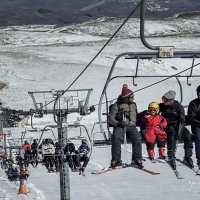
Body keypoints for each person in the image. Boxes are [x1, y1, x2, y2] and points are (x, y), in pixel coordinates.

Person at [108, 84, 143, 168]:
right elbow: (111, 118)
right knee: (116, 137)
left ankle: (137, 159)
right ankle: (116, 159)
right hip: (120, 126)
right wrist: (118, 123)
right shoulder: (116, 105)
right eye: (131, 97)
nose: (133, 98)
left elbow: (136, 116)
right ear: (126, 98)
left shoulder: (133, 105)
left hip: (131, 126)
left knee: (137, 139)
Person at [159, 90, 193, 169]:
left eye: (165, 100)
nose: (163, 102)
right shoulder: (162, 106)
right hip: (168, 125)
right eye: (162, 99)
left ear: (170, 100)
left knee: (188, 135)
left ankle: (188, 156)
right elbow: (154, 109)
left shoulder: (178, 106)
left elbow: (182, 120)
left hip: (178, 125)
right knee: (171, 134)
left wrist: (179, 133)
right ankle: (171, 155)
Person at [187, 85, 200, 169]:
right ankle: (199, 157)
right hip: (197, 125)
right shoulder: (193, 103)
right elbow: (191, 117)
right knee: (198, 136)